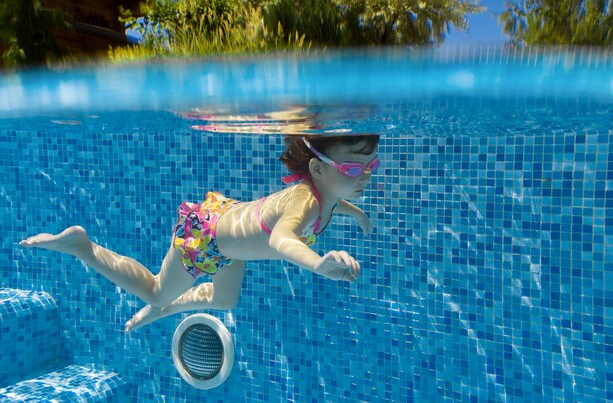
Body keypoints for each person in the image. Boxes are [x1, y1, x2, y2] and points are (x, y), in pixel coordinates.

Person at [19, 134, 380, 332]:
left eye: (371, 165)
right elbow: (280, 239)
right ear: (317, 168)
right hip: (207, 238)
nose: (365, 174)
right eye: (353, 167)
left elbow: (333, 206)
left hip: (232, 239)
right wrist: (318, 263)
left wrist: (357, 215)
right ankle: (82, 246)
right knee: (156, 291)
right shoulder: (306, 202)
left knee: (225, 301)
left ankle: (159, 311)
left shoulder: (330, 193)